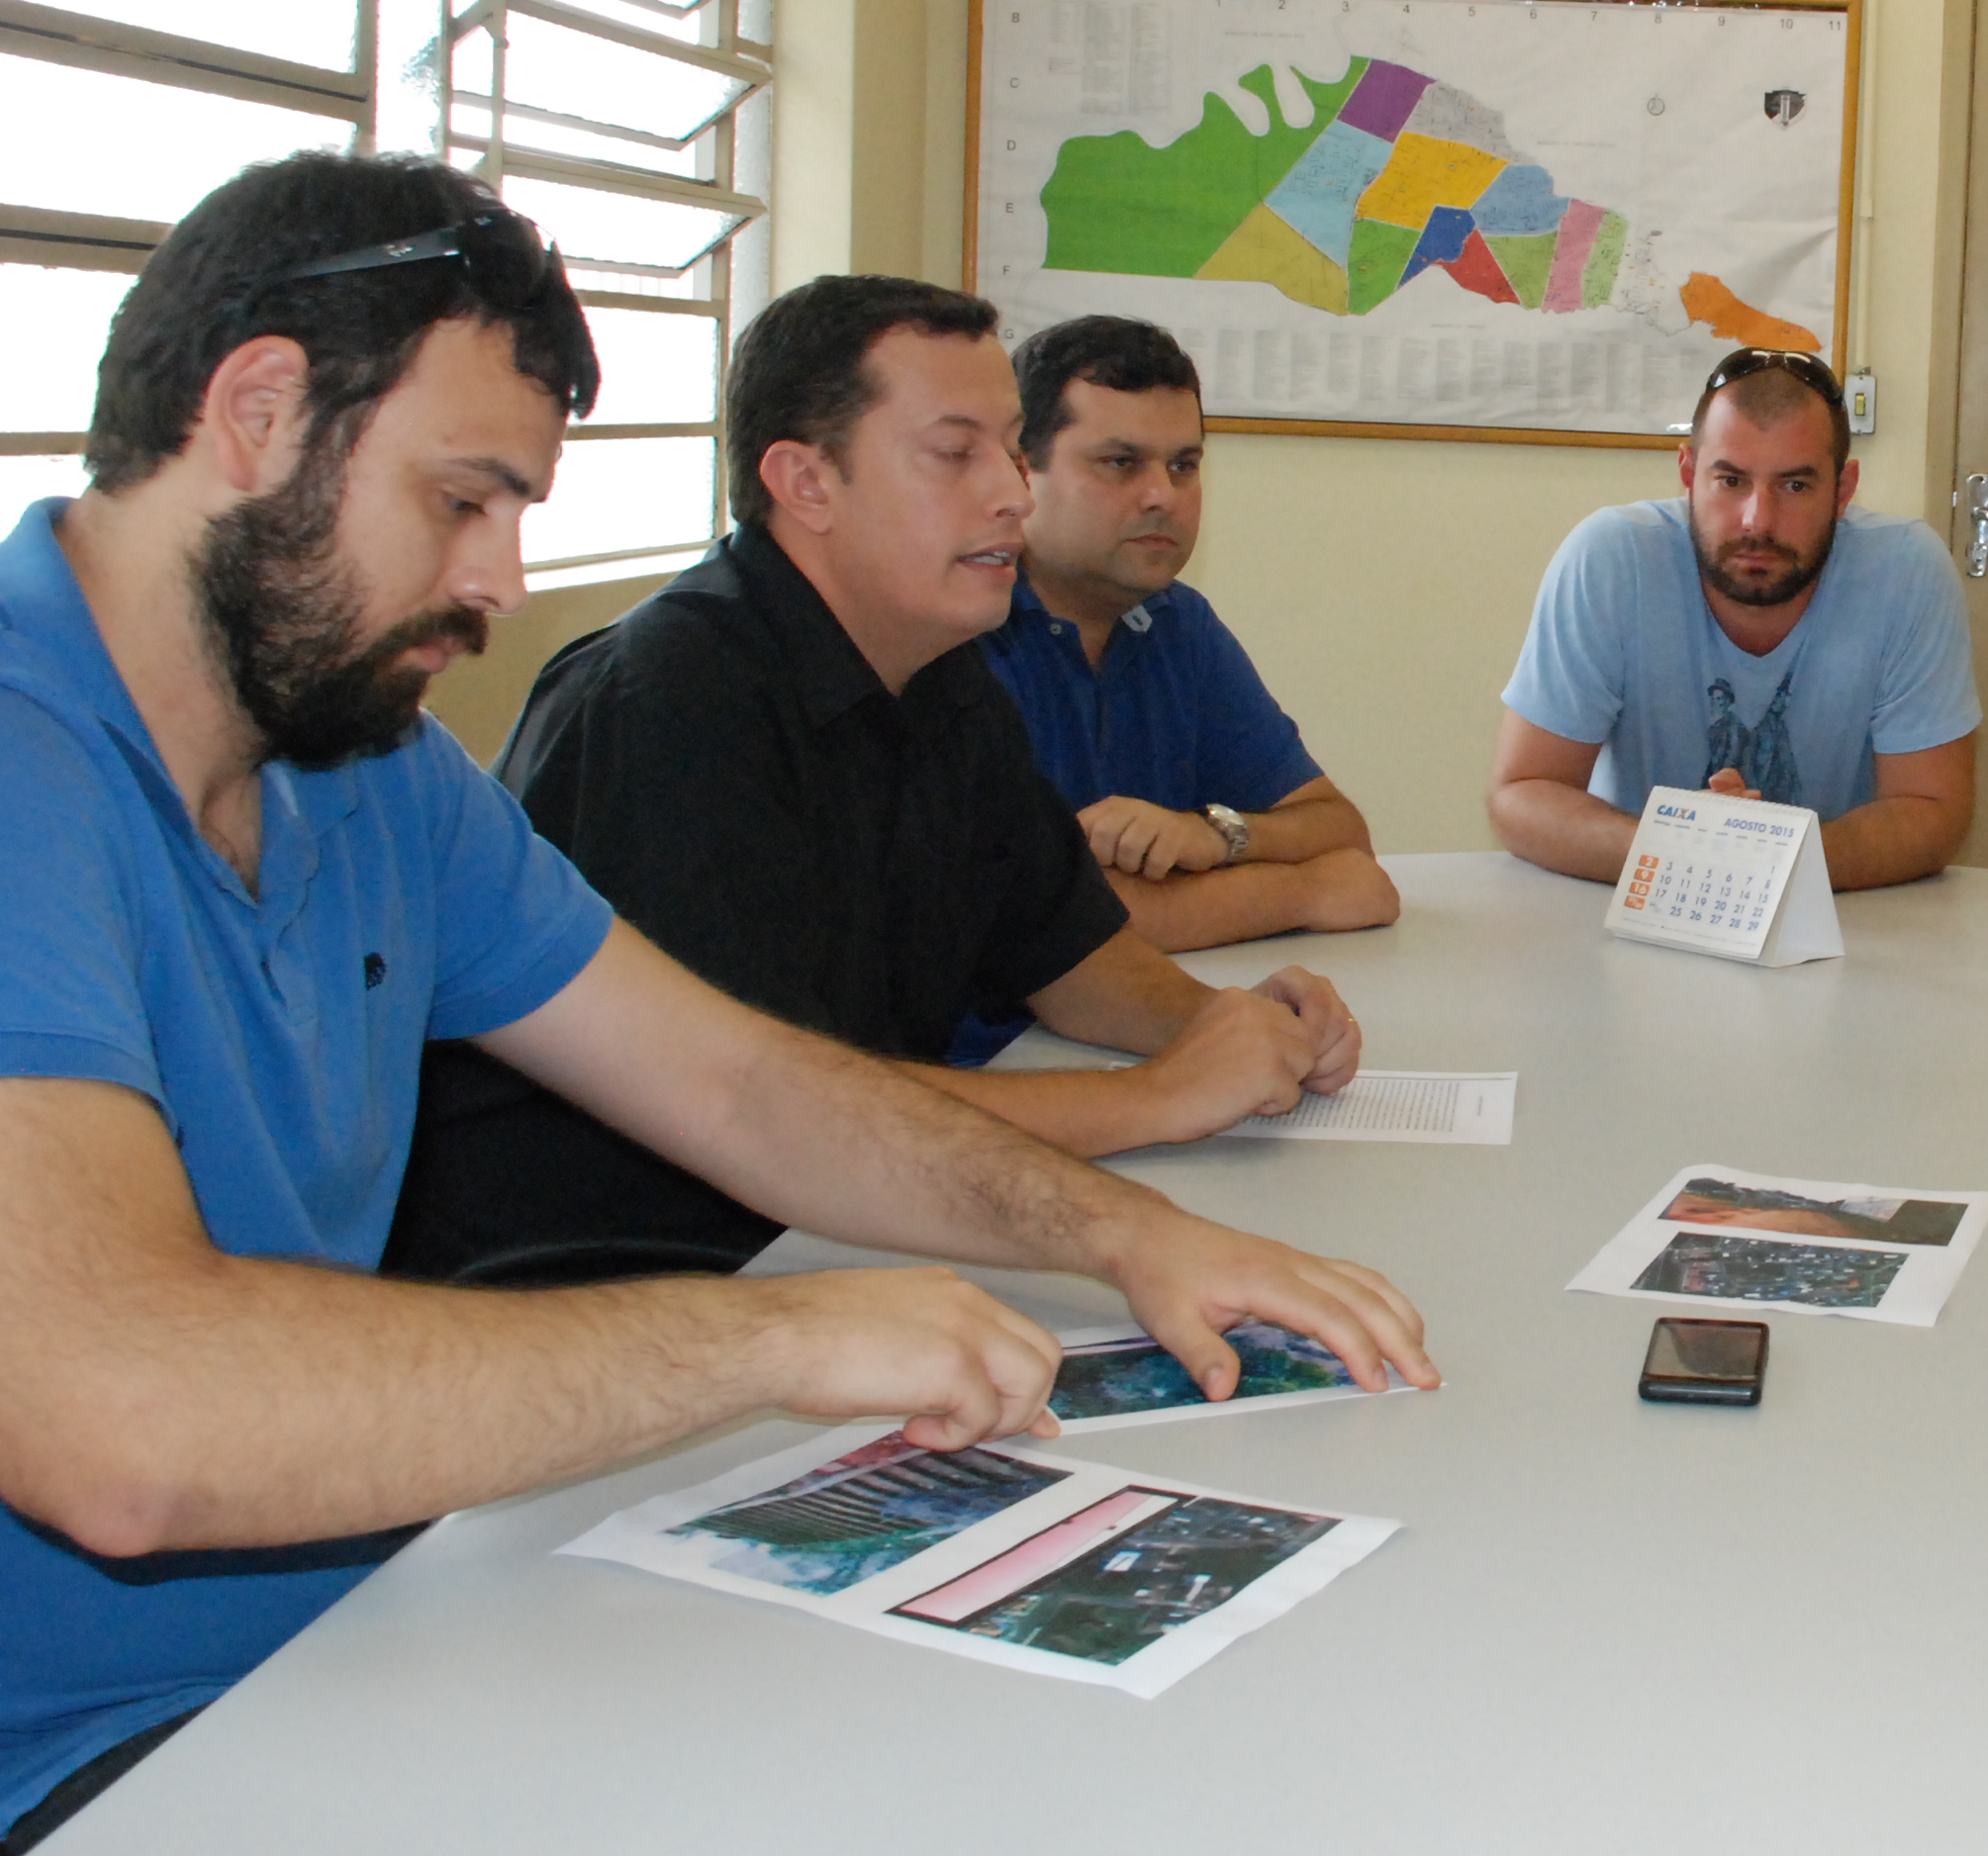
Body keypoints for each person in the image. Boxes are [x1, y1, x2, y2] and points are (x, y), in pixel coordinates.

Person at [0, 156, 1433, 1856]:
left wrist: (1124, 1232)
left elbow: (733, 1078)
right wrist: (776, 1329)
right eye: (462, 499)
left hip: (386, 1619)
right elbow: (121, 1427)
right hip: (65, 1769)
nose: (501, 578)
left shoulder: (369, 768)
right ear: (258, 413)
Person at [387, 278, 1365, 1283]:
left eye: (1011, 449)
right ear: (805, 482)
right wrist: (1156, 1098)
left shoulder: (942, 672)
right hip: (619, 1279)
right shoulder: (668, 704)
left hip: (841, 1232)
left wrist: (1216, 1024)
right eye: (957, 454)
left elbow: (1064, 950)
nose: (1011, 494)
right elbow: (780, 1105)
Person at [958, 317, 1395, 1058]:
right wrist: (1304, 891)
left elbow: (1339, 830)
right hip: (987, 1071)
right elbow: (1055, 926)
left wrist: (1215, 835)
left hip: (1129, 1038)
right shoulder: (959, 630)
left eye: (1185, 465)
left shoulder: (1173, 621)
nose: (1162, 495)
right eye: (1120, 463)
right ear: (1020, 470)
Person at [1489, 346, 1979, 889]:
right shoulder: (1609, 559)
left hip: (1844, 921)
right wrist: (1679, 850)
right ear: (1688, 473)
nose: (1757, 520)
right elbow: (1522, 793)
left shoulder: (1906, 571)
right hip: (1637, 909)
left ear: (1842, 492)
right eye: (1731, 481)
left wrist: (1764, 860)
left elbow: (1934, 812)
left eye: (1795, 485)